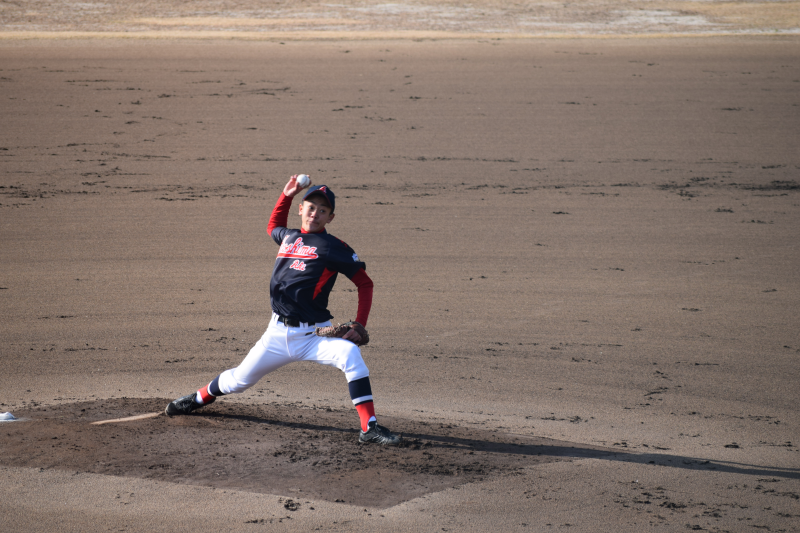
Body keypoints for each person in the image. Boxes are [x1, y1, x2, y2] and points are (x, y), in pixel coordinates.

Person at [164, 175, 401, 446]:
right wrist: (286, 195)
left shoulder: (334, 248)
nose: (315, 214)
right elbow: (273, 226)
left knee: (350, 355)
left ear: (330, 218)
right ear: (301, 209)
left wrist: (360, 323)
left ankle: (369, 427)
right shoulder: (288, 236)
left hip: (313, 335)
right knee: (239, 380)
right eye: (311, 207)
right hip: (276, 334)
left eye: (323, 210)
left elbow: (365, 283)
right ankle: (197, 399)